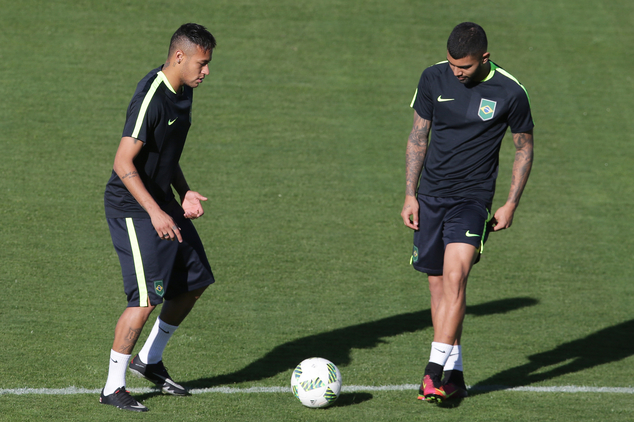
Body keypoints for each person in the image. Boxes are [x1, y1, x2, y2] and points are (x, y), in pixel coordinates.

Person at [400, 22, 534, 403]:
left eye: (466, 67)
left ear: (485, 58)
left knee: (456, 277)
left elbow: (524, 147)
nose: (458, 73)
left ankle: (432, 371)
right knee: (438, 285)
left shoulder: (510, 91)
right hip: (431, 198)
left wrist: (510, 202)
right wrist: (411, 194)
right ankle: (455, 375)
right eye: (453, 65)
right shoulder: (432, 79)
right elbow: (417, 136)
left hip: (472, 201)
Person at [100, 23, 217, 412]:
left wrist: (184, 194)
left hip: (161, 201)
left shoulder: (183, 92)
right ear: (179, 57)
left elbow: (167, 153)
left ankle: (148, 361)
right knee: (146, 298)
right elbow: (122, 162)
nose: (206, 72)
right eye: (201, 64)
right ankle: (112, 387)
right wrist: (154, 213)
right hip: (133, 207)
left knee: (194, 281)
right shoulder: (152, 96)